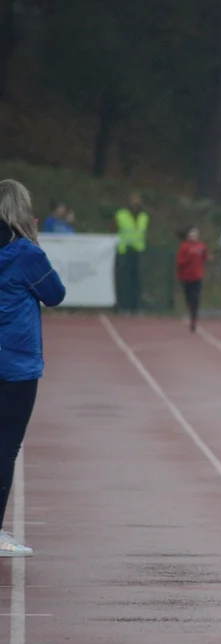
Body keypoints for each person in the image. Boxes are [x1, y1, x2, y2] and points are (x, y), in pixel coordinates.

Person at [0, 179, 66, 557]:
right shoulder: (26, 253)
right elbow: (54, 295)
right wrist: (36, 242)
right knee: (6, 446)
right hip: (16, 362)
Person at [175, 225, 209, 332]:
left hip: (197, 276)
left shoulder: (201, 246)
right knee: (189, 298)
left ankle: (194, 318)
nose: (194, 236)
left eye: (195, 234)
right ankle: (191, 312)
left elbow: (204, 257)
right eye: (192, 234)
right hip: (186, 277)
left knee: (196, 297)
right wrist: (189, 257)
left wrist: (207, 257)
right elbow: (180, 262)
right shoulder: (184, 247)